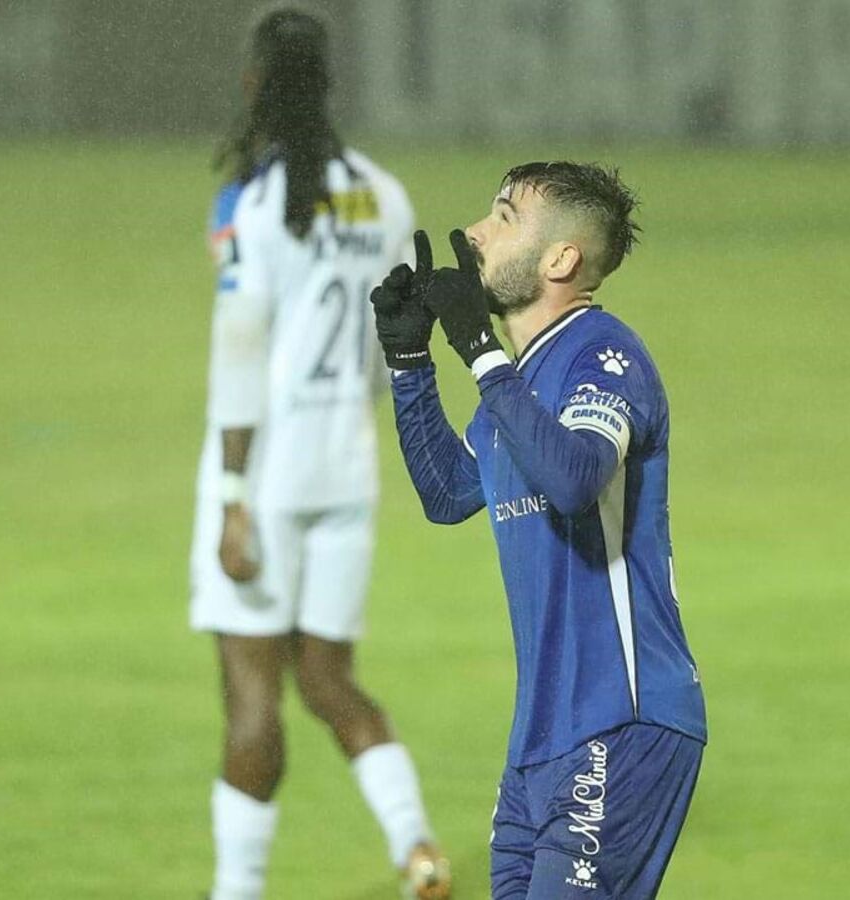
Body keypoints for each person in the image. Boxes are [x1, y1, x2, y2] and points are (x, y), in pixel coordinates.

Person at [370, 162, 708, 898]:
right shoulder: (517, 385)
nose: (473, 234)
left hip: (623, 715)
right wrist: (408, 362)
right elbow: (449, 491)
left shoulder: (605, 355)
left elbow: (575, 477)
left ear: (561, 260)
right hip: (543, 736)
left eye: (504, 216)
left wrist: (478, 349)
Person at [189, 8, 450, 899]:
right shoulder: (386, 195)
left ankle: (236, 891)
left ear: (257, 84)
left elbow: (239, 354)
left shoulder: (255, 202)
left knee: (255, 702)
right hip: (348, 466)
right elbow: (391, 339)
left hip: (266, 474)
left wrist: (231, 492)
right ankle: (416, 847)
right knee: (332, 681)